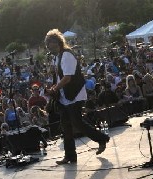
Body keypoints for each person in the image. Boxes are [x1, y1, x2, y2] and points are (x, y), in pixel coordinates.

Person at [45, 29, 109, 165]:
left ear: (57, 42)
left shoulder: (66, 55)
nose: (48, 47)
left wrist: (55, 88)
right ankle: (70, 156)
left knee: (77, 122)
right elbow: (60, 77)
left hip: (74, 94)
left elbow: (68, 78)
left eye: (49, 44)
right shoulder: (57, 57)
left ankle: (101, 138)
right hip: (64, 96)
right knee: (65, 126)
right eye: (47, 45)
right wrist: (54, 88)